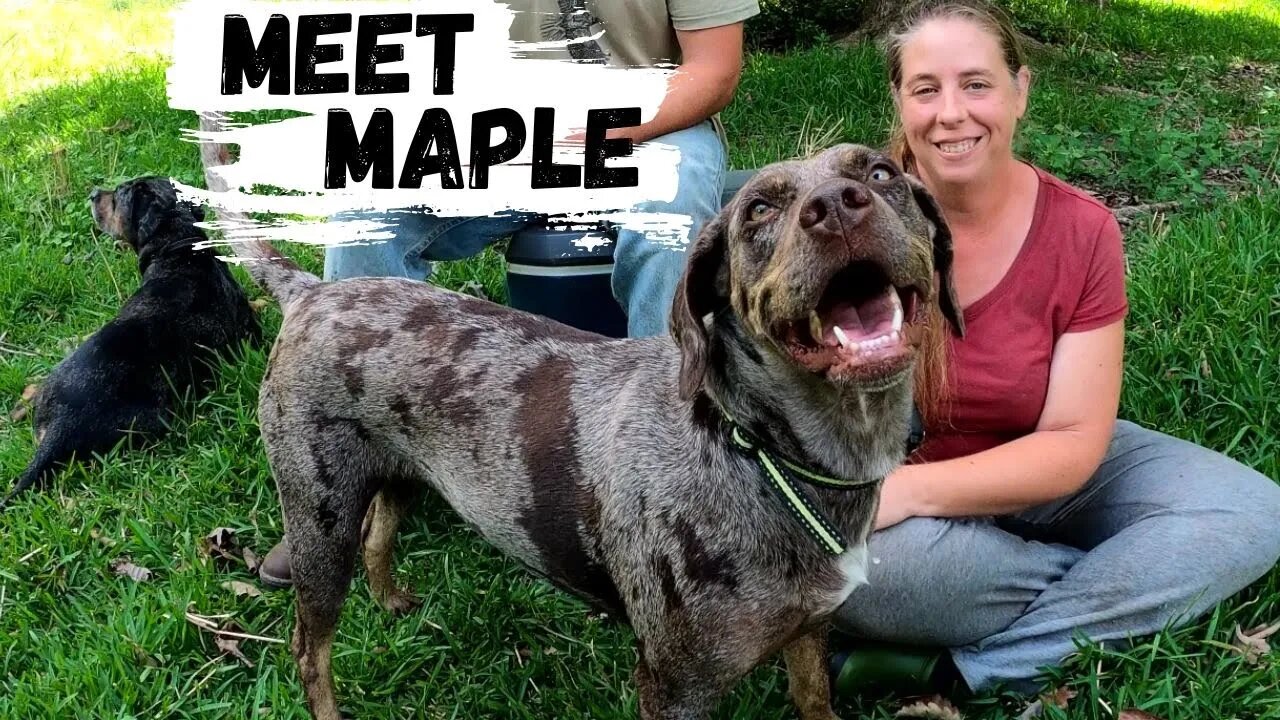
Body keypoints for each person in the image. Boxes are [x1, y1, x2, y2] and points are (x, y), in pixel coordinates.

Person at [827, 0, 1280, 699]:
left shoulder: (1082, 230)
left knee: (1252, 514)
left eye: (976, 84)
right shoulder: (849, 223)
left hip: (1024, 464)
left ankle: (961, 669)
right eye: (926, 89)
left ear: (1021, 91)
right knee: (866, 575)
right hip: (877, 505)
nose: (951, 113)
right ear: (899, 100)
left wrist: (910, 492)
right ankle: (1127, 584)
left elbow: (1071, 441)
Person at [257, 0, 760, 588]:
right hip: (508, 137)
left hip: (656, 129)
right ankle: (347, 466)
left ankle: (668, 474)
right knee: (365, 213)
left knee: (666, 222)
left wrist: (600, 131)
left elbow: (714, 68)